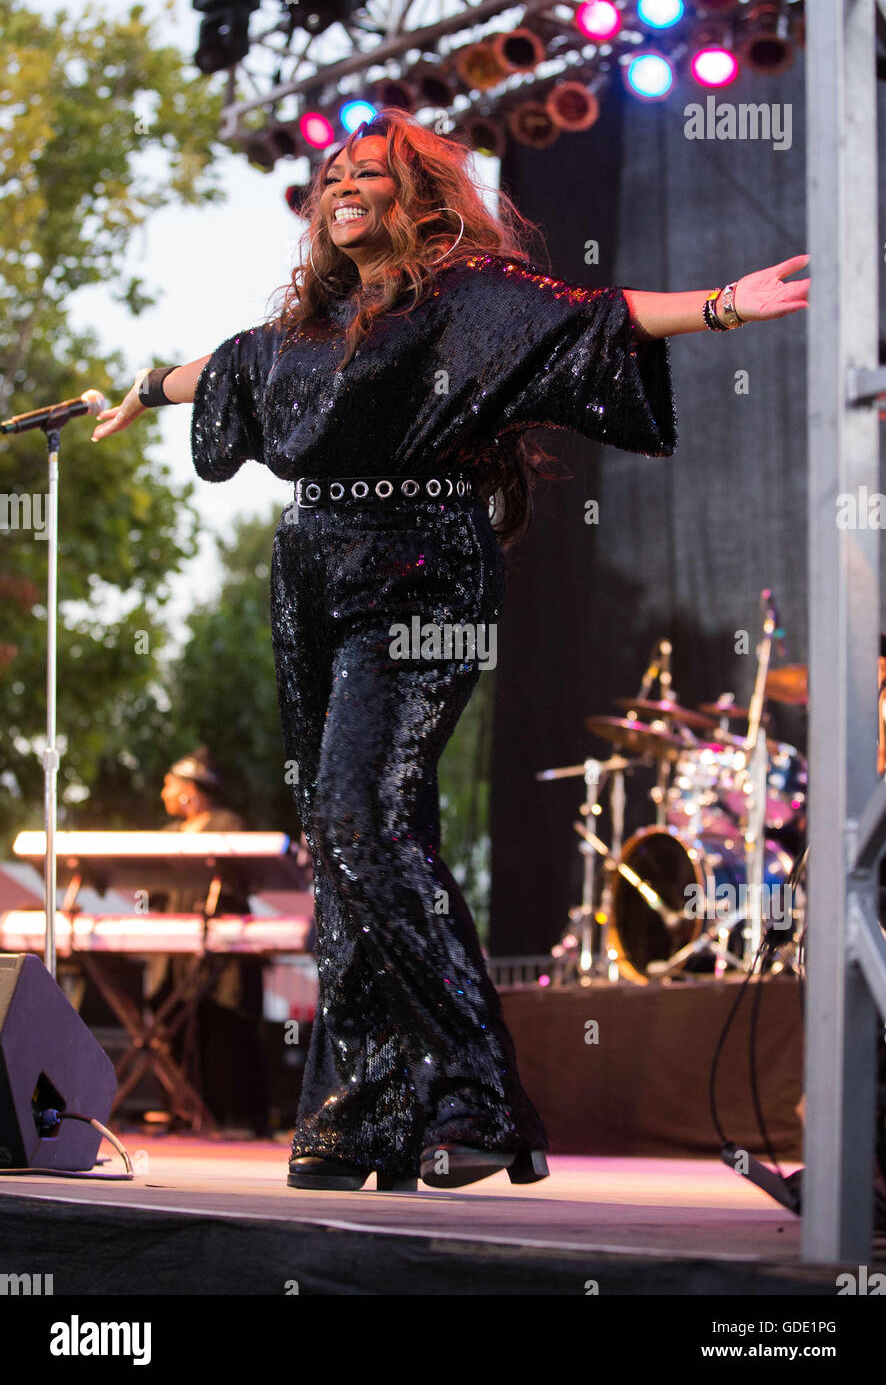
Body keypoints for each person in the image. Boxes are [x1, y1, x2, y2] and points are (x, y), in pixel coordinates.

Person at [92, 108, 809, 1191]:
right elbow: (224, 370)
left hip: (421, 570)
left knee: (357, 817)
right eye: (333, 170)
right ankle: (364, 1106)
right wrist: (141, 390)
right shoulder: (307, 332)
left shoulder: (470, 300)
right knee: (340, 843)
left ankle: (480, 1100)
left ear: (416, 200)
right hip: (313, 578)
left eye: (368, 171)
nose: (342, 182)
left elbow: (598, 319)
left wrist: (718, 308)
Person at [150, 748, 270, 1137]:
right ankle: (187, 1110)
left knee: (226, 1023)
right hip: (177, 950)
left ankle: (237, 1117)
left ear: (190, 790)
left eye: (170, 785)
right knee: (176, 1022)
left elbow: (243, 880)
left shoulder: (227, 825)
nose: (163, 793)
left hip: (222, 950)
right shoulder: (168, 835)